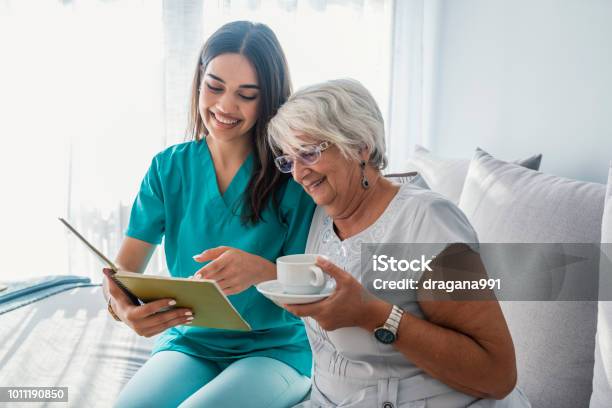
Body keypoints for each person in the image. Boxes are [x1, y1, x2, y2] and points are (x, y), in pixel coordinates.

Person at [266, 79, 531, 407]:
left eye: (308, 153)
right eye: (289, 160)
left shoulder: (427, 222)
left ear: (361, 145)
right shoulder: (321, 214)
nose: (298, 173)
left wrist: (371, 314)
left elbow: (498, 374)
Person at [105, 21, 315, 408]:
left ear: (268, 101)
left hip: (274, 348)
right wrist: (123, 310)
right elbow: (122, 272)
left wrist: (261, 271)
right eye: (214, 87)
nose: (224, 107)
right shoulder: (168, 169)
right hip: (190, 342)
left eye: (246, 95)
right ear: (199, 81)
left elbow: (320, 286)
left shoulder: (295, 175)